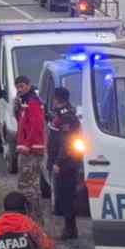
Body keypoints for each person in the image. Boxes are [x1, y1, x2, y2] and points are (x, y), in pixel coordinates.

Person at [45, 86, 84, 240]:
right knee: (64, 195)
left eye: (54, 98)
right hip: (64, 162)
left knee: (67, 196)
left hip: (66, 164)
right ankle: (69, 228)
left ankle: (70, 229)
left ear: (57, 99)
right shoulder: (61, 115)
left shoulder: (67, 117)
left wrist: (58, 162)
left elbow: (66, 143)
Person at [13, 76, 47, 224]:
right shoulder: (25, 101)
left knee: (28, 186)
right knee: (28, 185)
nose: (20, 90)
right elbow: (22, 123)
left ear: (28, 85)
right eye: (18, 87)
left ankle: (35, 221)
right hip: (28, 148)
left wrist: (26, 145)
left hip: (31, 150)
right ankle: (33, 220)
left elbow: (36, 126)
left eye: (22, 86)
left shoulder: (32, 102)